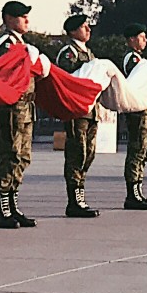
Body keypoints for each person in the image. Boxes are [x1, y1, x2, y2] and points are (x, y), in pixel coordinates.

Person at [0, 1, 40, 229]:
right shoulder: (6, 44)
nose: (26, 20)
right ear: (9, 19)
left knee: (22, 157)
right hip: (12, 108)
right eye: (22, 17)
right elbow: (4, 72)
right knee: (10, 154)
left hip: (26, 108)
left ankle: (13, 203)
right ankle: (2, 209)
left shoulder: (22, 44)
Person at [51, 14, 104, 218]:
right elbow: (68, 80)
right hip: (76, 111)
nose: (88, 29)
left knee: (88, 153)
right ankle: (74, 200)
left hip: (90, 111)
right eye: (83, 26)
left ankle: (80, 196)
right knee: (77, 153)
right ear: (73, 31)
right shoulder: (69, 54)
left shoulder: (89, 54)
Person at [119, 24, 147, 210]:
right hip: (138, 113)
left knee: (142, 152)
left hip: (146, 112)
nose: (145, 40)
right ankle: (132, 193)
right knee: (136, 151)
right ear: (133, 39)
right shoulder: (132, 59)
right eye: (142, 37)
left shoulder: (141, 59)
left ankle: (138, 190)